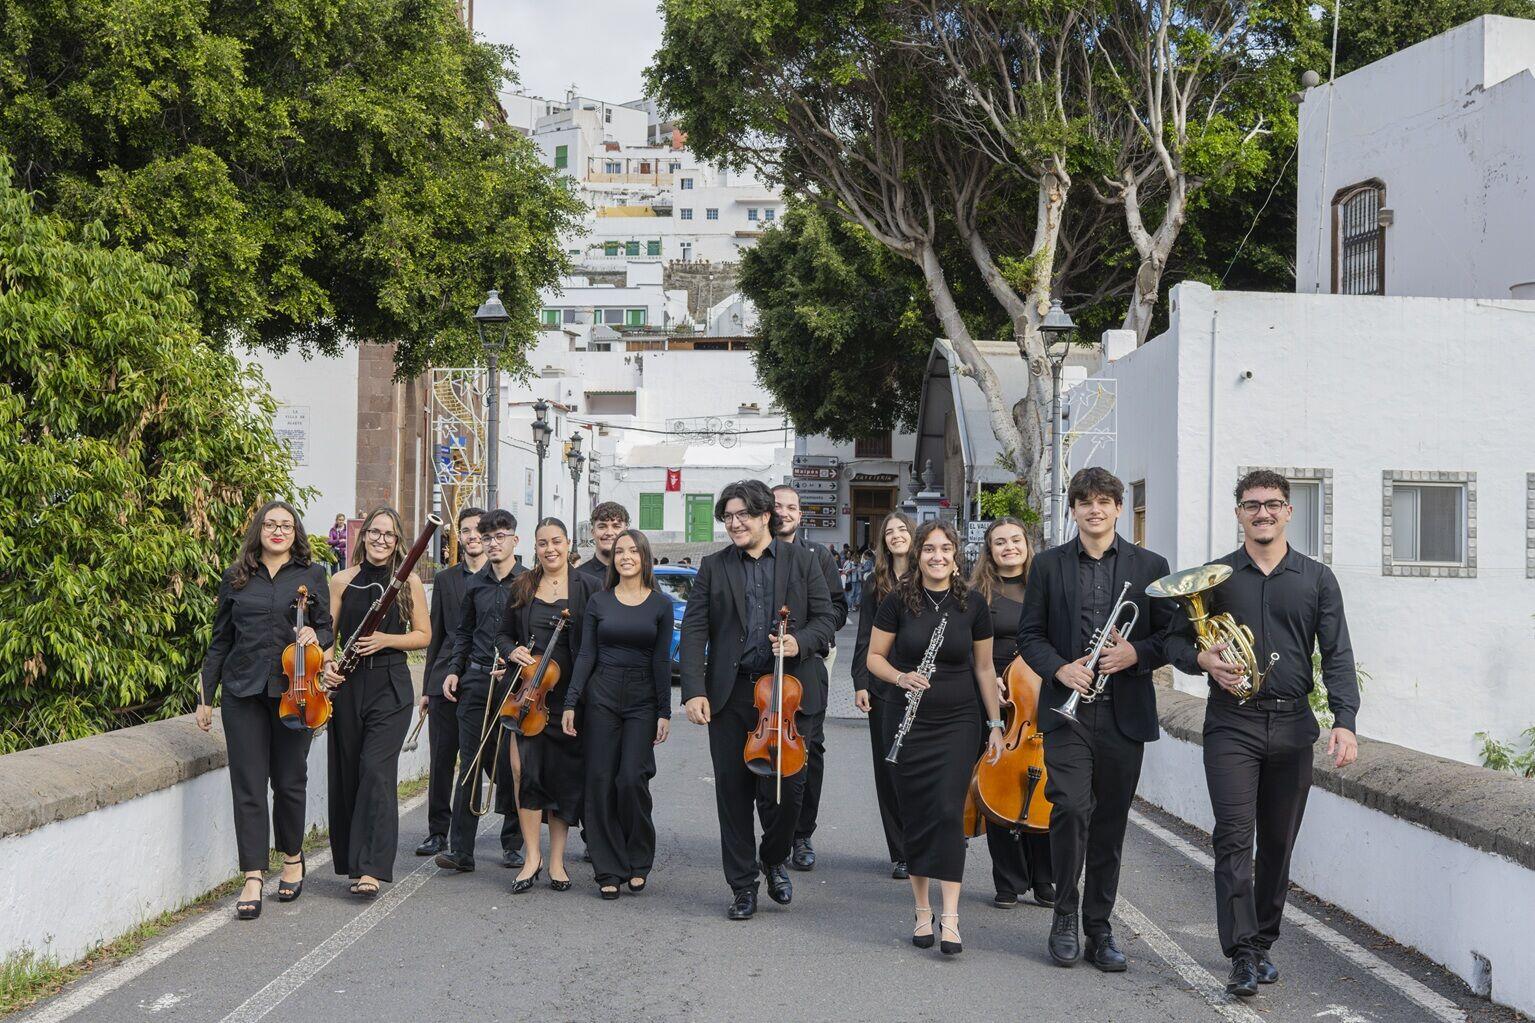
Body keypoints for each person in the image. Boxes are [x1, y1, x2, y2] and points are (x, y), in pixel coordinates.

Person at [1164, 469, 1359, 998]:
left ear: (1289, 511)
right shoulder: (1216, 577)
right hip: (1232, 723)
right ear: (1239, 513)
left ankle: (1264, 941)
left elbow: (1337, 654)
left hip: (1295, 723)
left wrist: (1345, 721)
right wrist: (1201, 657)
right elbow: (1171, 641)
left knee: (1278, 842)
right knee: (1233, 837)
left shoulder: (1317, 579)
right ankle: (1242, 953)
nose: (1263, 512)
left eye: (1272, 504)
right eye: (1252, 505)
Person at [1017, 467, 1176, 972]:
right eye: (1085, 500)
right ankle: (1064, 913)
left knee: (1109, 823)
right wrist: (1060, 668)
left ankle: (1099, 927)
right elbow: (1029, 636)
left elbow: (1171, 638)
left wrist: (1136, 654)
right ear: (1073, 509)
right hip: (1069, 714)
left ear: (1118, 507)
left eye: (1105, 500)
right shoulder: (1047, 565)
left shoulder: (1151, 565)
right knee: (1069, 808)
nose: (1095, 509)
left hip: (1124, 713)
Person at [679, 479, 838, 920]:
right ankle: (743, 884)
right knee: (732, 794)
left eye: (741, 515)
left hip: (788, 696)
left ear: (766, 515)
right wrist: (694, 690)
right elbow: (694, 630)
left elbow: (827, 619)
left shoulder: (804, 562)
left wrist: (799, 643)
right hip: (731, 696)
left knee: (786, 794)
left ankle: (773, 857)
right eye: (727, 517)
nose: (733, 524)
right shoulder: (713, 566)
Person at [865, 520, 1006, 956]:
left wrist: (996, 724)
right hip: (907, 720)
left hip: (959, 720)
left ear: (956, 553)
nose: (937, 556)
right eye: (929, 549)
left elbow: (984, 669)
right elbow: (873, 658)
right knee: (918, 814)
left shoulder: (974, 604)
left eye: (945, 548)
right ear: (919, 554)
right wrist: (901, 676)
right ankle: (922, 910)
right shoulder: (897, 601)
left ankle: (951, 917)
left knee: (948, 812)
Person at [197, 500, 332, 920]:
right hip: (243, 692)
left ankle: (292, 856)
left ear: (296, 533)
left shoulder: (311, 575)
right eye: (271, 524)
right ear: (259, 530)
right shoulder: (236, 578)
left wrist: (315, 633)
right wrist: (205, 697)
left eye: (286, 525)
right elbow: (220, 640)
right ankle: (253, 875)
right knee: (249, 786)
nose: (278, 531)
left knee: (290, 782)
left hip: (296, 692)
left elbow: (327, 628)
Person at [320, 507, 430, 897]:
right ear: (363, 535)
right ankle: (353, 862)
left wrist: (385, 640)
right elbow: (326, 638)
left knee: (375, 771)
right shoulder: (341, 580)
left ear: (398, 542)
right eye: (375, 533)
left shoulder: (408, 581)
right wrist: (328, 667)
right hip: (348, 687)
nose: (381, 540)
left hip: (390, 685)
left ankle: (372, 868)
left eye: (390, 535)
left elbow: (423, 635)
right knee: (348, 772)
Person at [562, 529, 673, 898]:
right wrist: (570, 703)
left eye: (633, 551)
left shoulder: (660, 605)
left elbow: (661, 660)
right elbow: (586, 655)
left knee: (630, 779)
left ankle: (638, 858)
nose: (626, 556)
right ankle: (607, 868)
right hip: (602, 695)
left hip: (642, 698)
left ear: (644, 557)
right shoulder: (599, 602)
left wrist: (664, 711)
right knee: (599, 780)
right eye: (620, 551)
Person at [414, 507, 523, 864]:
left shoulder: (528, 582)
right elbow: (462, 633)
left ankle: (513, 844)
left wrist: (514, 664)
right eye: (487, 537)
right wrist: (453, 671)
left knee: (509, 764)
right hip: (475, 678)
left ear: (514, 541)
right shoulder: (473, 584)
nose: (492, 543)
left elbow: (533, 632)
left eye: (499, 537)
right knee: (470, 761)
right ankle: (462, 849)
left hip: (512, 682)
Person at [498, 517, 591, 894]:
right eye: (542, 543)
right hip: (526, 695)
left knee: (561, 777)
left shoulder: (588, 587)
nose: (550, 549)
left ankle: (557, 860)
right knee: (525, 772)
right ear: (534, 547)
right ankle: (532, 857)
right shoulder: (523, 584)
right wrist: (511, 650)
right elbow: (502, 633)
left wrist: (577, 696)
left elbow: (590, 647)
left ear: (568, 544)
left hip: (568, 698)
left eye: (556, 541)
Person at [970, 517, 1055, 908]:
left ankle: (1045, 879)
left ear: (1026, 544)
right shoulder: (978, 593)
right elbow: (971, 650)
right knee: (997, 786)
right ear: (990, 550)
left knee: (1047, 786)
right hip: (997, 699)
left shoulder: (1046, 588)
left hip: (1039, 696)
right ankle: (1008, 881)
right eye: (1000, 541)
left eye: (1016, 540)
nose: (1009, 547)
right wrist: (991, 682)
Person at [764, 485, 849, 872]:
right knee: (767, 750)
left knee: (809, 750)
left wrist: (804, 639)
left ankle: (802, 833)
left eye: (792, 506)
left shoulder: (818, 556)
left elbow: (836, 609)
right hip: (765, 670)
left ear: (801, 514)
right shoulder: (755, 556)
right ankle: (773, 833)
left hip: (809, 661)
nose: (784, 511)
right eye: (778, 505)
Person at [852, 512, 917, 880]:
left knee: (920, 768)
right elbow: (864, 637)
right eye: (889, 532)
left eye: (901, 530)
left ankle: (926, 841)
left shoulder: (929, 573)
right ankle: (900, 851)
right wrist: (860, 681)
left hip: (924, 685)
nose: (895, 536)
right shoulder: (873, 582)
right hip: (883, 684)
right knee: (889, 769)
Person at [577, 502, 630, 584]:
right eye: (602, 527)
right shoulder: (577, 577)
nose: (609, 533)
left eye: (616, 526)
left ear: (626, 531)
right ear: (593, 532)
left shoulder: (639, 577)